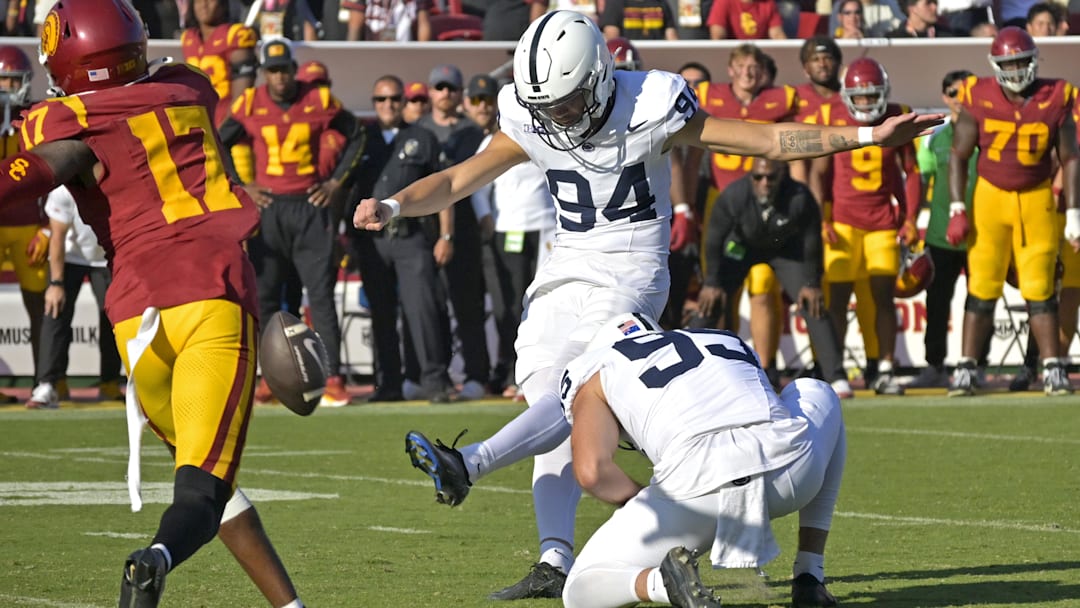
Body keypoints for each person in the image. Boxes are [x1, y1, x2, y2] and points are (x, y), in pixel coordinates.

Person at [352, 9, 937, 599]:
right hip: (564, 264)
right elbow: (458, 179)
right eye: (545, 107)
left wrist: (866, 136)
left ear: (602, 77)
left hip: (631, 266)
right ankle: (555, 558)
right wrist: (396, 205)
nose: (555, 118)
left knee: (573, 391)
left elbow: (766, 140)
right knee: (543, 404)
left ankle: (470, 463)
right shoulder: (534, 112)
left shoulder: (652, 104)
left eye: (565, 102)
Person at [10, 0, 306, 605]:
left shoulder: (62, 123)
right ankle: (156, 559)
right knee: (203, 489)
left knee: (207, 481)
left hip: (135, 322)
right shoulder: (188, 87)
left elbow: (36, 172)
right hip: (211, 296)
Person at [558, 313, 844, 608]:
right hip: (793, 470)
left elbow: (592, 471)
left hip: (697, 489)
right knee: (818, 390)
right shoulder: (720, 337)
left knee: (579, 588)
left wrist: (652, 507)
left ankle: (663, 584)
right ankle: (810, 575)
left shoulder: (598, 371)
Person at [218, 38, 365, 408]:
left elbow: (358, 135)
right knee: (266, 296)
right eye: (273, 70)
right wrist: (242, 186)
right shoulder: (250, 102)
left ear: (293, 70)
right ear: (264, 72)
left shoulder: (318, 100)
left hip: (309, 206)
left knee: (320, 296)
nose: (280, 77)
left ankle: (330, 378)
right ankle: (272, 377)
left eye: (284, 69)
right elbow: (218, 144)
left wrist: (335, 183)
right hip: (270, 209)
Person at [946, 26, 1078, 397]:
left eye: (1023, 61)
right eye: (1010, 63)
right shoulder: (978, 93)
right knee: (982, 284)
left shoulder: (1057, 95)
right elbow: (958, 154)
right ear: (995, 65)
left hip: (1036, 196)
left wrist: (1075, 215)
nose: (1017, 70)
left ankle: (1053, 367)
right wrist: (958, 207)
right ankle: (967, 368)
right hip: (990, 196)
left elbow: (1070, 157)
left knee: (1039, 285)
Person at [684, 43, 798, 388]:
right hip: (721, 204)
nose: (749, 72)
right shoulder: (708, 94)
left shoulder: (780, 99)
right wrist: (687, 206)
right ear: (730, 70)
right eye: (742, 66)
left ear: (763, 72)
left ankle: (766, 366)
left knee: (763, 285)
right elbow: (689, 156)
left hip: (766, 205)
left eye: (755, 66)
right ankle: (727, 365)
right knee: (720, 286)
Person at [808, 57, 920, 396]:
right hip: (841, 223)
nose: (868, 103)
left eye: (873, 96)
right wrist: (821, 218)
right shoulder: (830, 116)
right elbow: (819, 173)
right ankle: (834, 368)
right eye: (861, 97)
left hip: (882, 223)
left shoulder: (898, 113)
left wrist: (912, 217)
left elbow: (912, 171)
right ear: (847, 95)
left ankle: (885, 367)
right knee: (837, 300)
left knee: (884, 297)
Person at [696, 158, 853, 398]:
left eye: (771, 177)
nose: (765, 183)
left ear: (784, 177)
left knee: (813, 301)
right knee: (712, 299)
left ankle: (837, 376)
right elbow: (714, 238)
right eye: (758, 177)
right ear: (751, 177)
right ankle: (684, 369)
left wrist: (812, 282)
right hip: (743, 247)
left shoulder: (800, 197)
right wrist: (712, 282)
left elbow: (812, 242)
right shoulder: (735, 195)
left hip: (784, 251)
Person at [345, 75, 454, 403]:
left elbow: (444, 188)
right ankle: (388, 384)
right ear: (374, 102)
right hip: (372, 242)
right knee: (381, 313)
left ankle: (435, 382)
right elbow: (348, 190)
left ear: (404, 101)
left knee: (422, 310)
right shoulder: (362, 139)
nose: (388, 105)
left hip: (412, 237)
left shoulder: (422, 138)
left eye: (394, 99)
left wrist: (446, 235)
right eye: (381, 100)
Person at [469, 78, 558, 399]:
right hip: (508, 230)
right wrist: (485, 217)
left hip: (546, 229)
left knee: (543, 302)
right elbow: (476, 185)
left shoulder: (547, 136)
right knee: (510, 303)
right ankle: (510, 372)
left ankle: (538, 373)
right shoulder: (493, 142)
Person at [909, 70, 988, 389]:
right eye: (954, 93)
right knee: (937, 302)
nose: (960, 98)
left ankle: (977, 365)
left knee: (982, 300)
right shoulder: (934, 135)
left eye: (966, 92)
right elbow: (922, 179)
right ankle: (935, 366)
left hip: (983, 231)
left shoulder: (989, 131)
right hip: (942, 232)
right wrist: (911, 220)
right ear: (944, 96)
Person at [416, 65, 492, 401]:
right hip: (422, 230)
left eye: (451, 88)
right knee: (428, 307)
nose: (445, 93)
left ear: (460, 95)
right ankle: (434, 377)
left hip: (465, 227)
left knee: (468, 306)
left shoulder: (474, 133)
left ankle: (477, 374)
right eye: (439, 87)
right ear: (431, 93)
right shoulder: (417, 131)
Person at [25, 186, 123, 410]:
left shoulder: (118, 178)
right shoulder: (64, 189)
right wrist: (56, 284)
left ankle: (110, 382)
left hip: (108, 256)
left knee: (115, 316)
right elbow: (57, 237)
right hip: (69, 256)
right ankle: (48, 384)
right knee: (55, 311)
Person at [0, 45, 48, 405]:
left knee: (40, 307)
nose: (6, 87)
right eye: (2, 79)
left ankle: (42, 381)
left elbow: (51, 174)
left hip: (29, 225)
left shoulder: (34, 117)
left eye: (12, 80)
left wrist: (47, 226)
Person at [180, 0, 258, 184]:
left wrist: (223, 132)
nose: (203, 5)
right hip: (199, 133)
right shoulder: (189, 38)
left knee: (242, 194)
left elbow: (243, 95)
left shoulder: (236, 35)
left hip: (231, 136)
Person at [600, 0, 680, 39]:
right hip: (629, 59)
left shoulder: (661, 3)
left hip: (657, 57)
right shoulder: (615, 3)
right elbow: (613, 39)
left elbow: (671, 36)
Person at [707, 0, 786, 39]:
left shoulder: (768, 3)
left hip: (760, 57)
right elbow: (717, 36)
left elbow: (777, 35)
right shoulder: (723, 2)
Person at [887, 0, 954, 36]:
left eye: (935, 2)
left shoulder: (950, 37)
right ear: (912, 8)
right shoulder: (893, 40)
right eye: (928, 3)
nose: (934, 7)